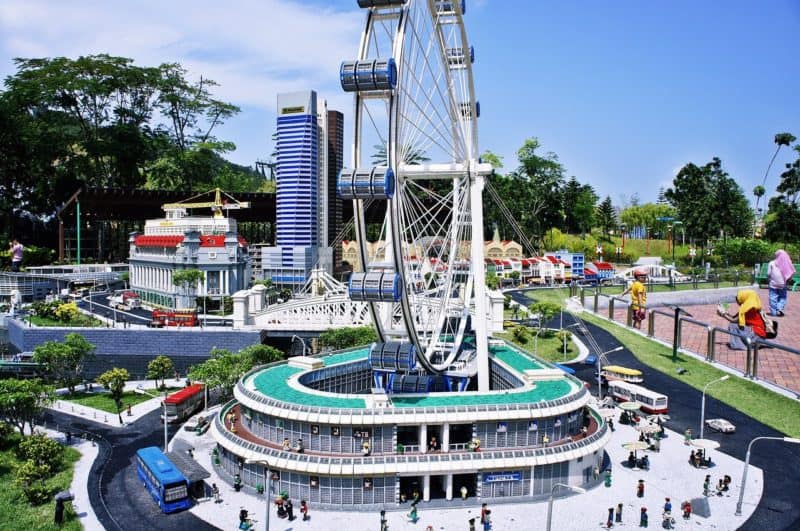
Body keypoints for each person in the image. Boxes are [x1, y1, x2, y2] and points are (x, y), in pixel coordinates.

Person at [767, 249, 795, 316]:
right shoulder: (787, 263)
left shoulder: (772, 263)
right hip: (783, 284)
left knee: (772, 297)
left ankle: (773, 312)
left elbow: (768, 274)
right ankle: (779, 308)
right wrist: (788, 280)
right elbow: (791, 273)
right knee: (783, 297)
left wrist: (769, 279)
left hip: (773, 283)